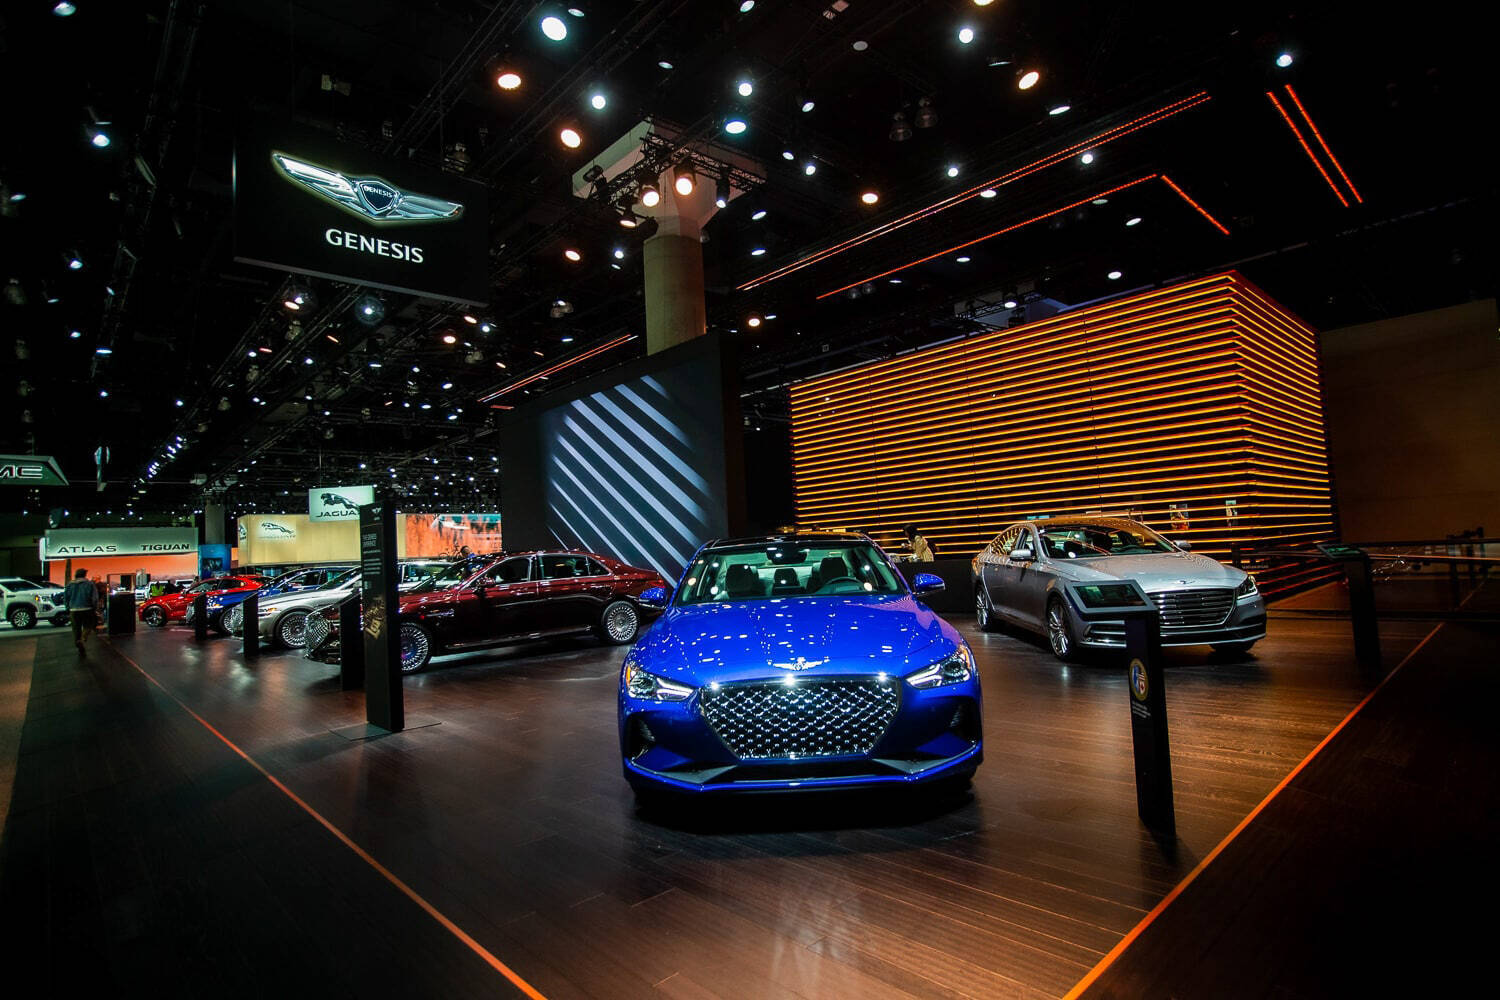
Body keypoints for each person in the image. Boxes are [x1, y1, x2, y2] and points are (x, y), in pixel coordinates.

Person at [64, 568, 100, 654]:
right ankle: (83, 639)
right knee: (88, 625)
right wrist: (94, 607)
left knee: (76, 628)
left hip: (73, 610)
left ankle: (78, 642)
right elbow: (95, 598)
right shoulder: (90, 584)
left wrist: (68, 608)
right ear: (84, 575)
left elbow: (66, 598)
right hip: (87, 609)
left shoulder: (69, 585)